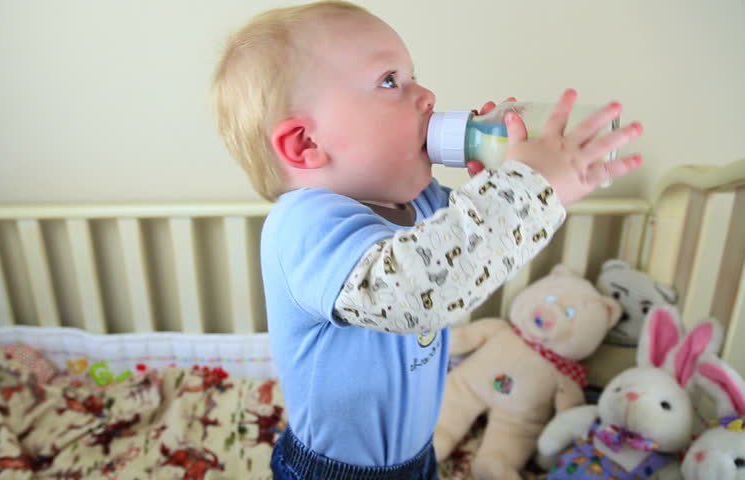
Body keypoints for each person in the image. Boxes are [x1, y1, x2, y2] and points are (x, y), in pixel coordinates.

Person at [211, 2, 644, 478]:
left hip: (416, 454)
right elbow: (417, 291)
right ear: (306, 145)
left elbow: (474, 249)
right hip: (332, 470)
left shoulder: (421, 201)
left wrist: (500, 176)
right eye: (390, 80)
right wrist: (526, 187)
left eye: (413, 75)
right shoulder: (304, 224)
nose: (428, 95)